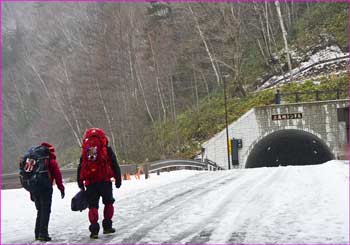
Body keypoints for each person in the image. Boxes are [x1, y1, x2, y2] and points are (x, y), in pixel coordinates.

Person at [77, 128, 122, 239]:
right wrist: (118, 179)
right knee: (108, 202)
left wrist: (80, 181)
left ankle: (94, 230)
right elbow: (114, 163)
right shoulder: (105, 148)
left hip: (90, 182)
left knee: (93, 206)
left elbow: (81, 165)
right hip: (105, 181)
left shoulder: (86, 150)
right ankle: (107, 227)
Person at [20, 142, 65, 241]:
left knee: (40, 210)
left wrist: (31, 192)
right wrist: (61, 188)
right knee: (45, 210)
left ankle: (37, 233)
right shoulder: (50, 160)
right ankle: (43, 233)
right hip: (45, 188)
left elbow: (29, 176)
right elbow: (57, 175)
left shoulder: (34, 160)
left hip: (35, 189)